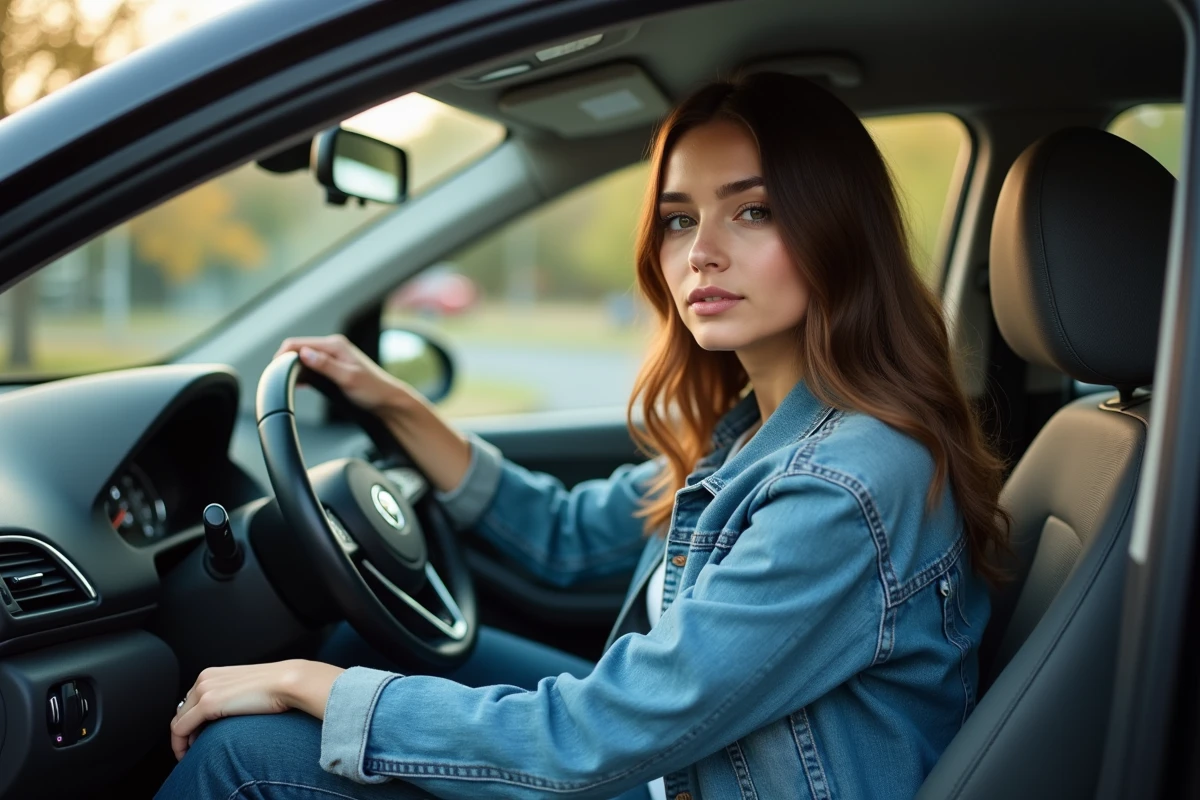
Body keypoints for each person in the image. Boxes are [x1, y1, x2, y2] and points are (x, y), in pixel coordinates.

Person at [156, 72, 1010, 800]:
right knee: (356, 643)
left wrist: (323, 692)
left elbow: (596, 735)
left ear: (838, 234)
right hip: (672, 766)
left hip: (649, 766)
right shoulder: (757, 428)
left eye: (752, 211)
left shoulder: (845, 483)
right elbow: (568, 542)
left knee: (244, 759)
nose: (700, 253)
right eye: (680, 219)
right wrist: (396, 405)